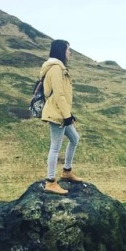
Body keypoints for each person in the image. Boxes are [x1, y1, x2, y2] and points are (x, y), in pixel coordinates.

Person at [39, 39, 82, 194]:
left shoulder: (58, 67)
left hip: (61, 113)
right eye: (68, 49)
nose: (70, 52)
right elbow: (59, 94)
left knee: (75, 139)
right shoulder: (56, 69)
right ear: (61, 51)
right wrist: (66, 115)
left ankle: (66, 172)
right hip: (56, 114)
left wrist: (68, 114)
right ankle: (50, 182)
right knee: (55, 147)